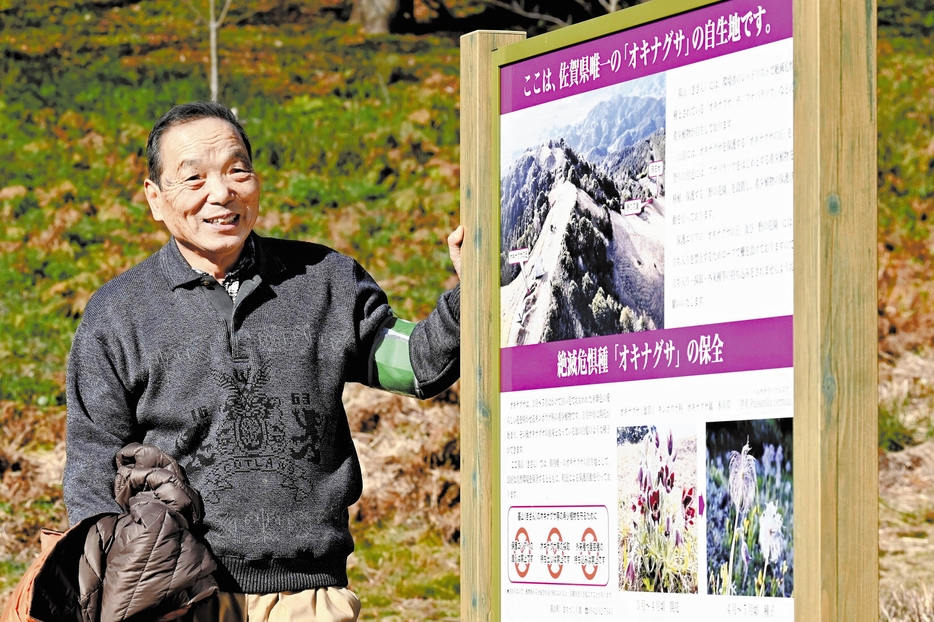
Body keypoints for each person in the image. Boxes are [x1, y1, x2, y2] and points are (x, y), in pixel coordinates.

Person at [63, 101, 463, 620]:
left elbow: (416, 364)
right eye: (194, 178)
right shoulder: (118, 314)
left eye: (237, 171)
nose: (221, 193)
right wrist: (110, 589)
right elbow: (93, 467)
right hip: (175, 599)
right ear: (155, 199)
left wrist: (466, 291)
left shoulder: (326, 281)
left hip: (308, 599)